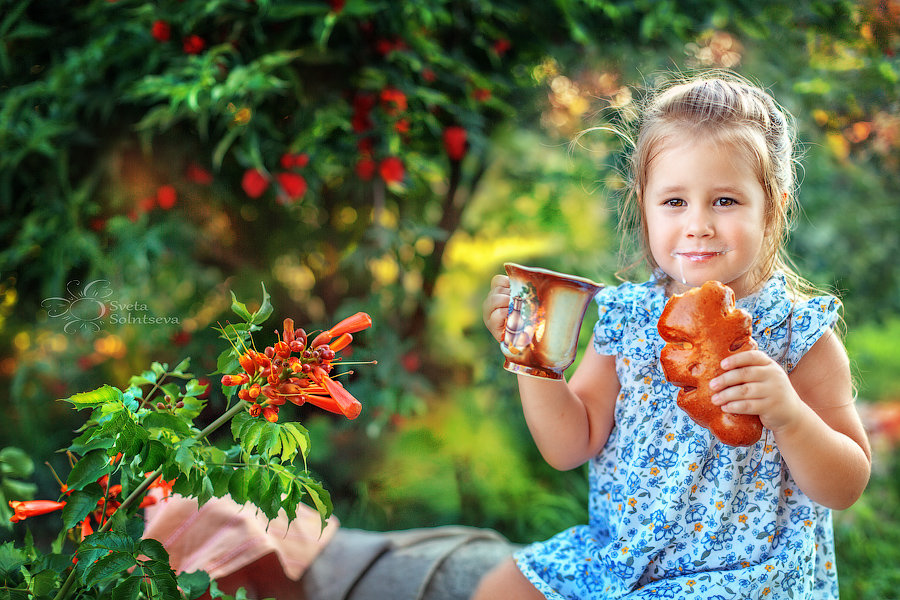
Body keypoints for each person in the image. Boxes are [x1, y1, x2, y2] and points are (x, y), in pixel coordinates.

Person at [475, 73, 871, 599]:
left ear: (771, 205)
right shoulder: (627, 320)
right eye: (675, 202)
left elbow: (846, 485)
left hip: (742, 580)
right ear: (643, 204)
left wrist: (789, 416)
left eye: (725, 201)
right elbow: (570, 445)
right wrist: (531, 356)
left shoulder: (800, 335)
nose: (698, 224)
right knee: (502, 588)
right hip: (623, 558)